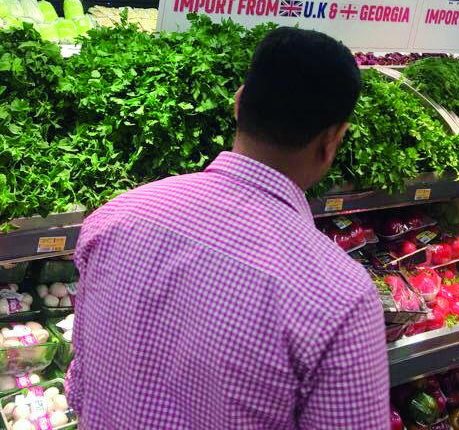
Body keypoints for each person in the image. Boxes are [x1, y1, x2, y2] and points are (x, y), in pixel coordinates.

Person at [67, 27, 390, 429]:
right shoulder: (340, 297)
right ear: (332, 140)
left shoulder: (116, 217)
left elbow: (81, 386)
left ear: (238, 103)